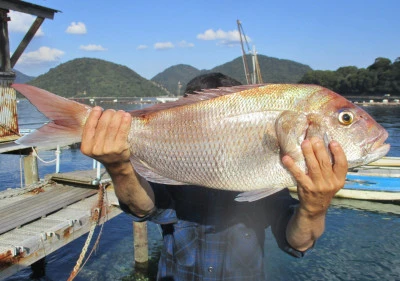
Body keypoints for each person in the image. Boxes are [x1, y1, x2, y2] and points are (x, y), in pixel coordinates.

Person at [80, 73, 348, 280]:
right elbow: (143, 208)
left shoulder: (270, 176)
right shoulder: (170, 171)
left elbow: (297, 241)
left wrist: (315, 206)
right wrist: (119, 167)